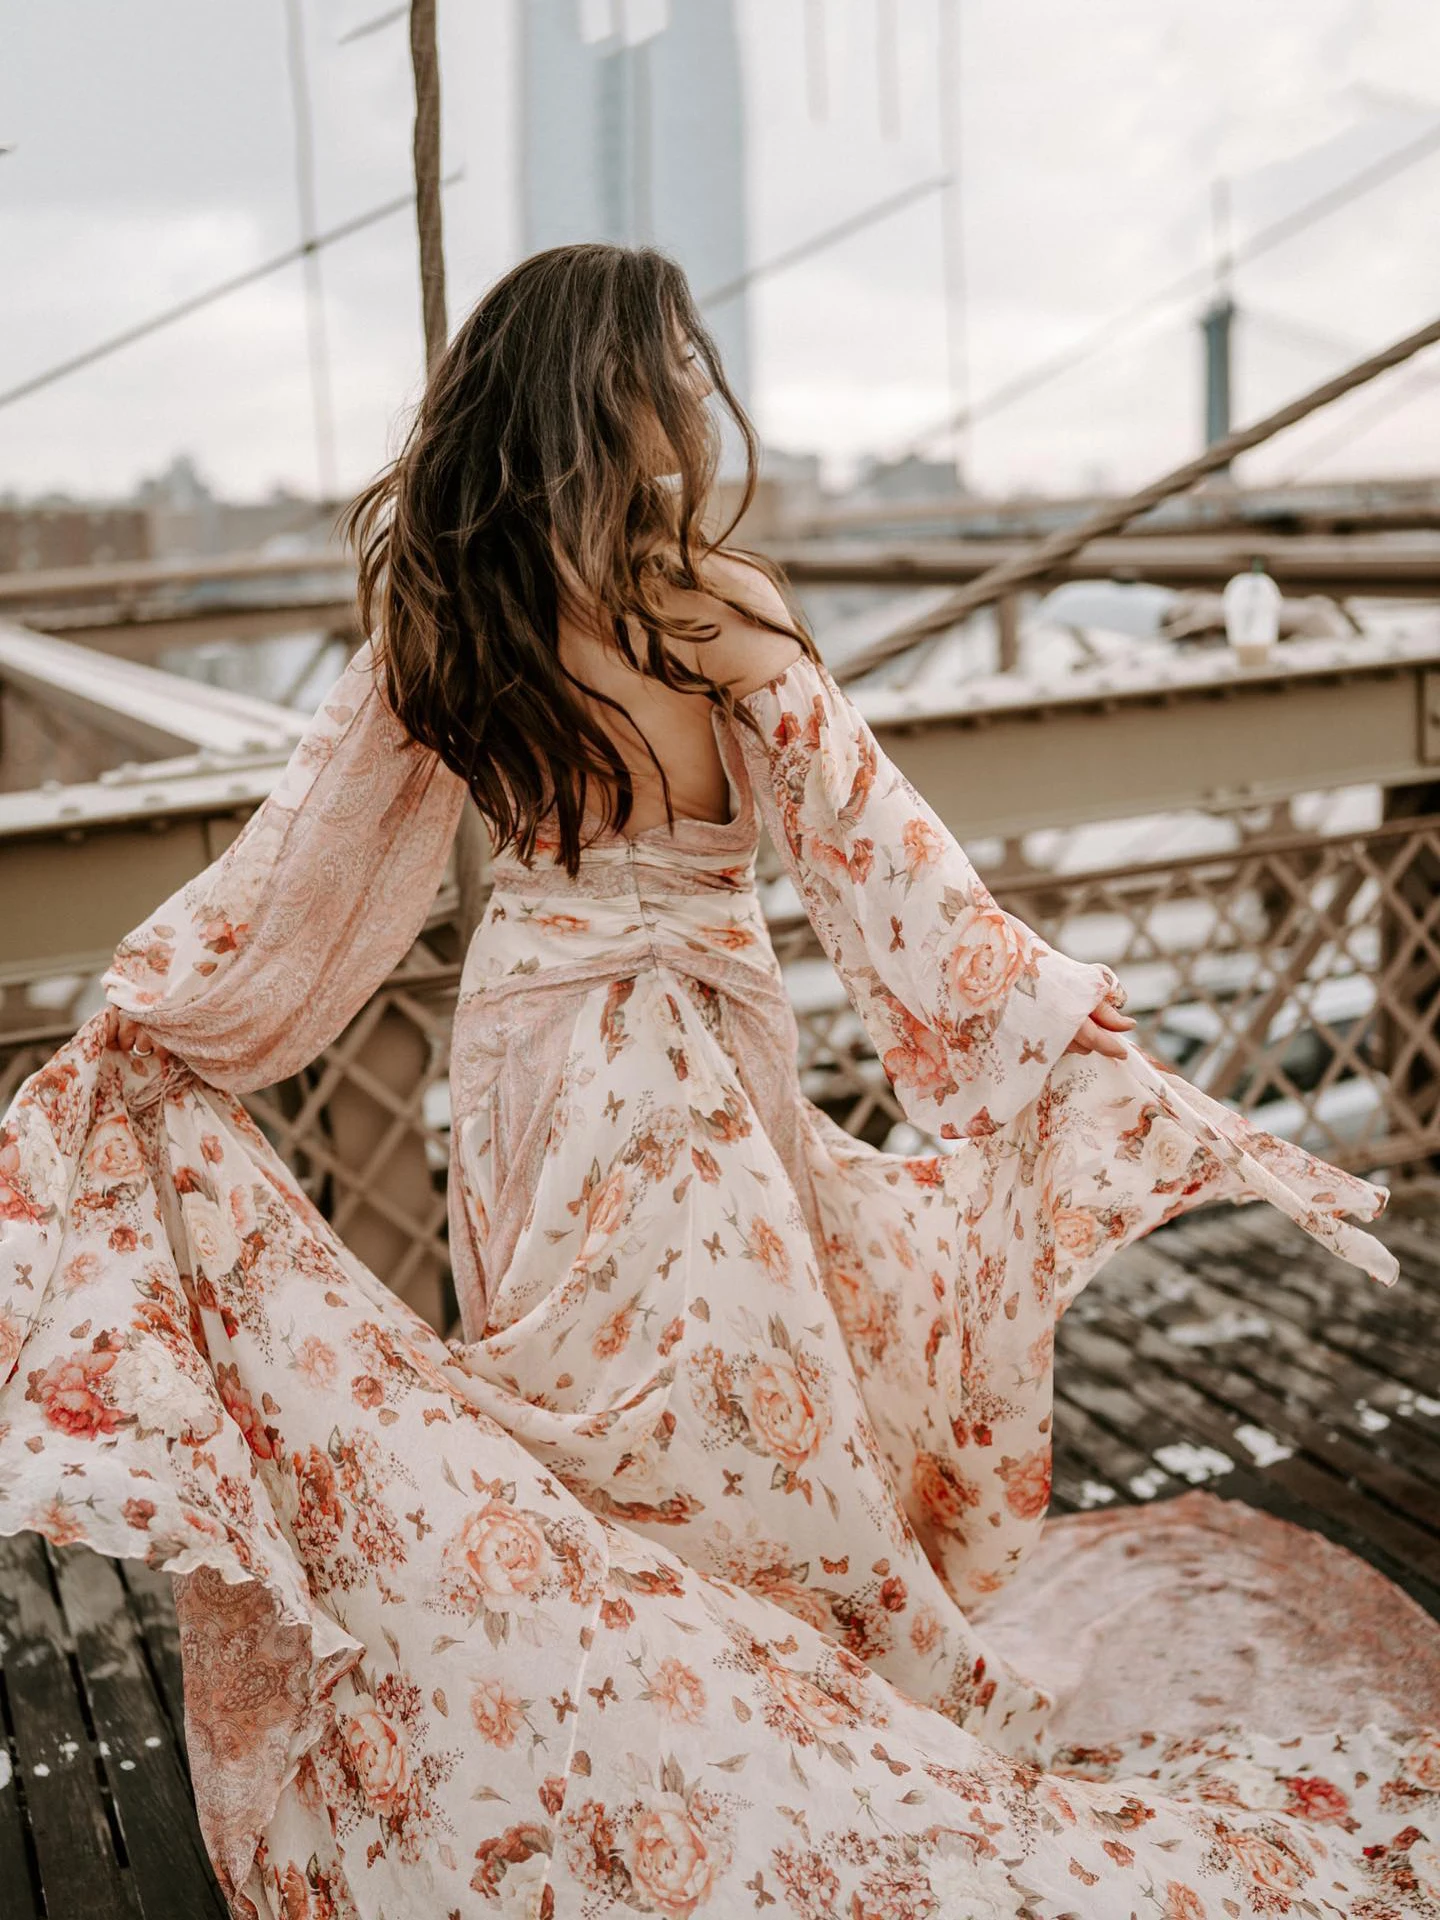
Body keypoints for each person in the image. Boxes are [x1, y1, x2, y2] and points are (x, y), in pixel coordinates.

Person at [4, 243, 1438, 1920]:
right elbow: (875, 853)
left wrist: (155, 1017)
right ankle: (763, 1704)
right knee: (734, 1401)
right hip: (688, 1041)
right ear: (609, 390)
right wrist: (1041, 1020)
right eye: (671, 365)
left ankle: (645, 1720)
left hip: (535, 1044)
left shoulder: (443, 611)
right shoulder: (714, 600)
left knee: (599, 1415)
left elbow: (300, 877)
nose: (694, 393)